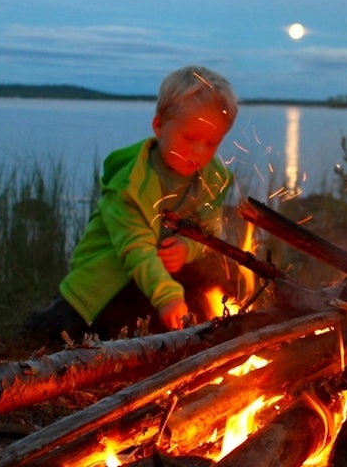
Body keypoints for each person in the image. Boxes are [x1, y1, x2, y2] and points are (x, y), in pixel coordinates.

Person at [23, 65, 239, 345]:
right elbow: (135, 248)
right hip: (107, 285)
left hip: (157, 278)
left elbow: (209, 226)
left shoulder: (212, 177)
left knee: (219, 274)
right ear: (159, 126)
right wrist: (167, 297)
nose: (198, 151)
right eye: (189, 138)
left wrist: (189, 247)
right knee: (96, 334)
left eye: (211, 143)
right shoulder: (131, 182)